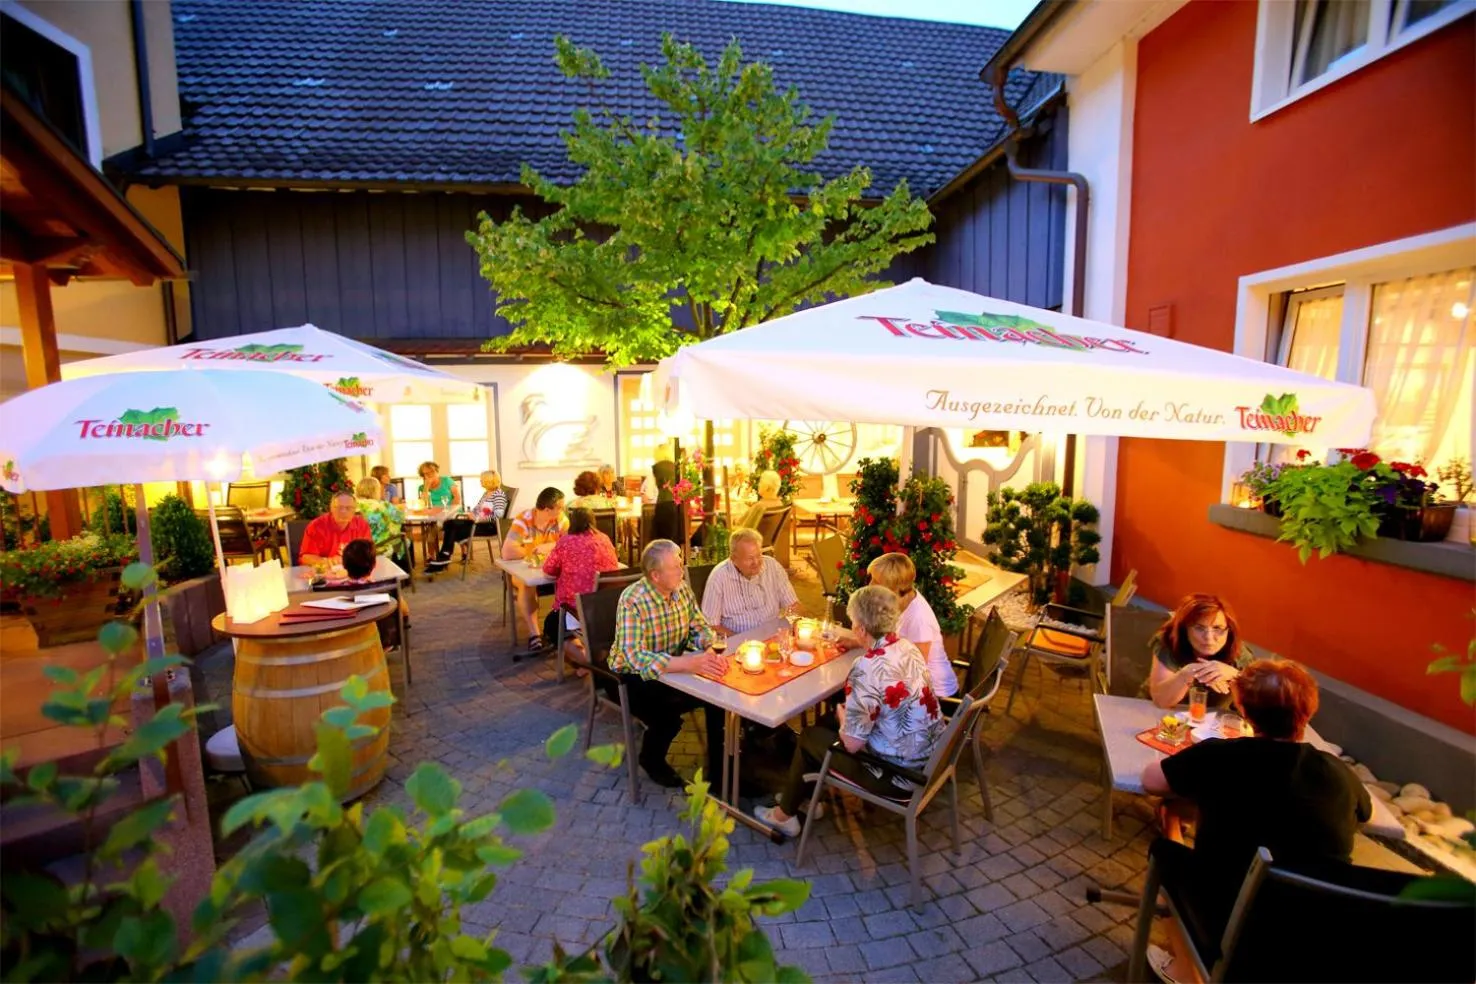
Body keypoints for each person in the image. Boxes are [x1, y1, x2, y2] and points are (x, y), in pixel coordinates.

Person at [1140, 659, 1371, 984]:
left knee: (1166, 852)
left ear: (1244, 710)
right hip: (1316, 927)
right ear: (1308, 712)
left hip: (1228, 919)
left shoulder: (1221, 756)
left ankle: (1184, 972)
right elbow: (1365, 814)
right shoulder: (1338, 774)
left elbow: (1151, 781)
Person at [755, 585, 945, 836]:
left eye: (853, 620)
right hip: (927, 756)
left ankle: (784, 815)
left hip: (896, 775)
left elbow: (852, 744)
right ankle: (803, 798)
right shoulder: (907, 647)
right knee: (824, 724)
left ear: (861, 629)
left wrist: (845, 717)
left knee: (811, 736)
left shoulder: (867, 667)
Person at [609, 539, 727, 788]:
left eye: (680, 564)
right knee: (667, 715)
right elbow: (634, 656)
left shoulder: (681, 588)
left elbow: (700, 626)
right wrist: (687, 664)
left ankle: (721, 775)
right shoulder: (632, 600)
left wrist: (709, 648)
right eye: (675, 567)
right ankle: (651, 759)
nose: (681, 570)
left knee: (719, 698)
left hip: (674, 668)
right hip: (631, 676)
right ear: (655, 575)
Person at [540, 507, 621, 666]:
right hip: (607, 608)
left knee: (553, 626)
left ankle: (591, 665)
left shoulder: (566, 542)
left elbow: (549, 571)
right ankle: (591, 661)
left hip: (580, 609)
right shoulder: (604, 539)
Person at [866, 552, 954, 697]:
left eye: (876, 582)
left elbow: (916, 671)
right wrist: (855, 642)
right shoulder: (902, 599)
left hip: (934, 697)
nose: (870, 585)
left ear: (893, 588)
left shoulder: (919, 619)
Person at [1147, 594, 1255, 710]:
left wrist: (1236, 675)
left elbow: (1257, 705)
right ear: (1185, 629)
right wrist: (1187, 673)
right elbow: (1161, 702)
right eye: (1199, 628)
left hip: (1211, 720)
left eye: (1217, 628)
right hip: (1160, 713)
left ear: (1229, 629)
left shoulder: (1240, 653)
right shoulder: (1170, 640)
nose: (1208, 638)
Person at [501, 487, 569, 652]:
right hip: (523, 569)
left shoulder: (560, 520)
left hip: (550, 568)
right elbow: (507, 552)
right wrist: (535, 550)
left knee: (572, 578)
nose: (563, 510)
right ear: (547, 509)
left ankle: (566, 630)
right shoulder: (523, 521)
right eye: (560, 506)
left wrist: (550, 546)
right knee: (526, 584)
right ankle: (535, 635)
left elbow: (569, 543)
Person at [700, 527, 799, 635]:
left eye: (758, 555)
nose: (756, 562)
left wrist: (790, 627)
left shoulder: (773, 566)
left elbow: (793, 605)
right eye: (750, 558)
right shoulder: (719, 577)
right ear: (734, 559)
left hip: (773, 635)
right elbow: (711, 625)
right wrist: (739, 640)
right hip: (738, 639)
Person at [425, 470, 508, 572]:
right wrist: (471, 514)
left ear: (489, 481)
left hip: (488, 526)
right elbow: (478, 509)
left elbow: (498, 515)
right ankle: (445, 555)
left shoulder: (498, 495)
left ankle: (444, 557)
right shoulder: (487, 493)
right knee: (449, 523)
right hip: (477, 523)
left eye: (482, 480)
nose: (480, 481)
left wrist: (478, 518)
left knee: (452, 528)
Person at [299, 491, 373, 566]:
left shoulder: (362, 525)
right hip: (324, 572)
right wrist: (326, 561)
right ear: (331, 508)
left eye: (348, 508)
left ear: (354, 510)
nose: (343, 511)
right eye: (339, 507)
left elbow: (368, 553)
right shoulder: (316, 526)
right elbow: (306, 558)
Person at [354, 477, 405, 558]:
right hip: (378, 547)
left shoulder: (351, 505)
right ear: (376, 490)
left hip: (354, 546)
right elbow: (400, 518)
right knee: (402, 541)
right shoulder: (383, 506)